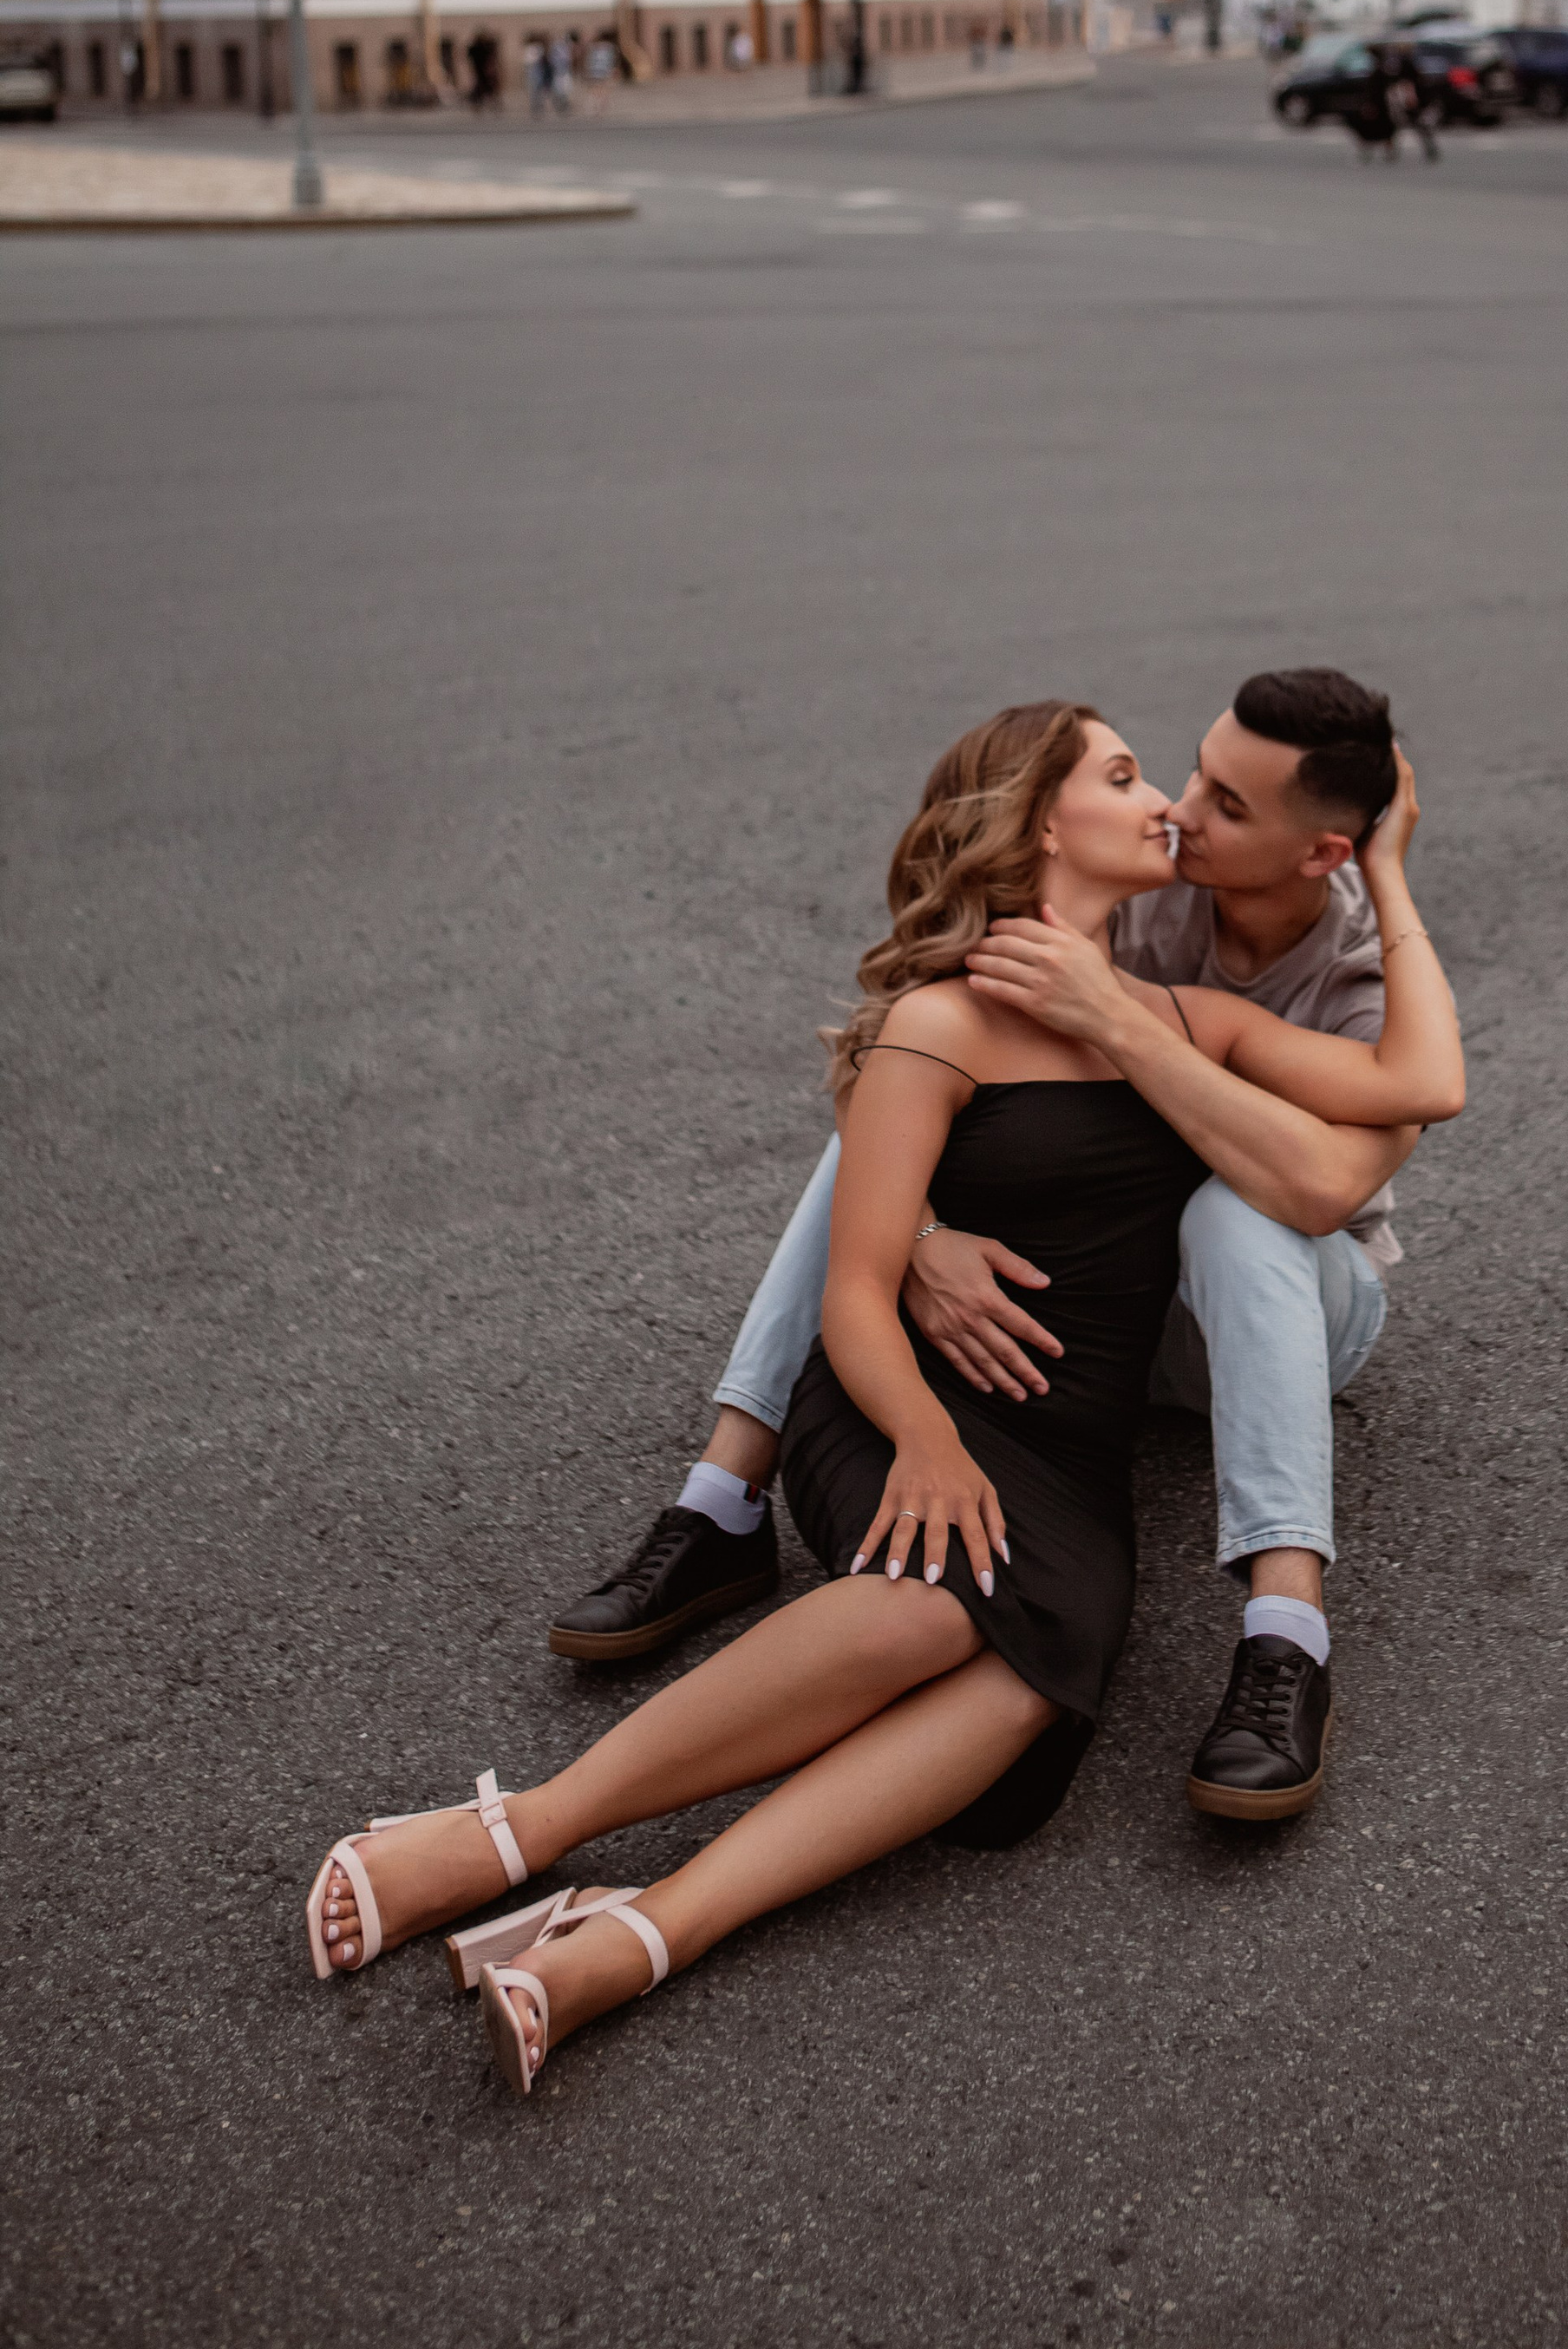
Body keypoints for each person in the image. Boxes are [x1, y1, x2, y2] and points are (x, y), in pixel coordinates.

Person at [304, 704, 1462, 2099]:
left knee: (1029, 1674)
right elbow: (855, 1295)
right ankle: (511, 1835)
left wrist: (1384, 876)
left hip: (1074, 1448)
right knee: (940, 1596)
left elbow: (1419, 1084)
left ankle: (637, 1935)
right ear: (1042, 824)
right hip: (912, 1405)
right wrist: (919, 1415)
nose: (1166, 800)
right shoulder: (941, 1016)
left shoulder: (1185, 1009)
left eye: (1186, 784)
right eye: (1127, 774)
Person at [549, 669, 1419, 1820]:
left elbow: (1329, 1184)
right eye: (1185, 773)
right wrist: (921, 1232)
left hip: (1284, 1307)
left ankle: (1285, 1632)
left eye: (1226, 805)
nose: (1180, 807)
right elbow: (893, 1062)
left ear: (1320, 855)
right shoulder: (1144, 892)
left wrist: (1126, 1018)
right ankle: (722, 1499)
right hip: (1108, 1299)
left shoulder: (1354, 972)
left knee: (1232, 1208)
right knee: (891, 1115)